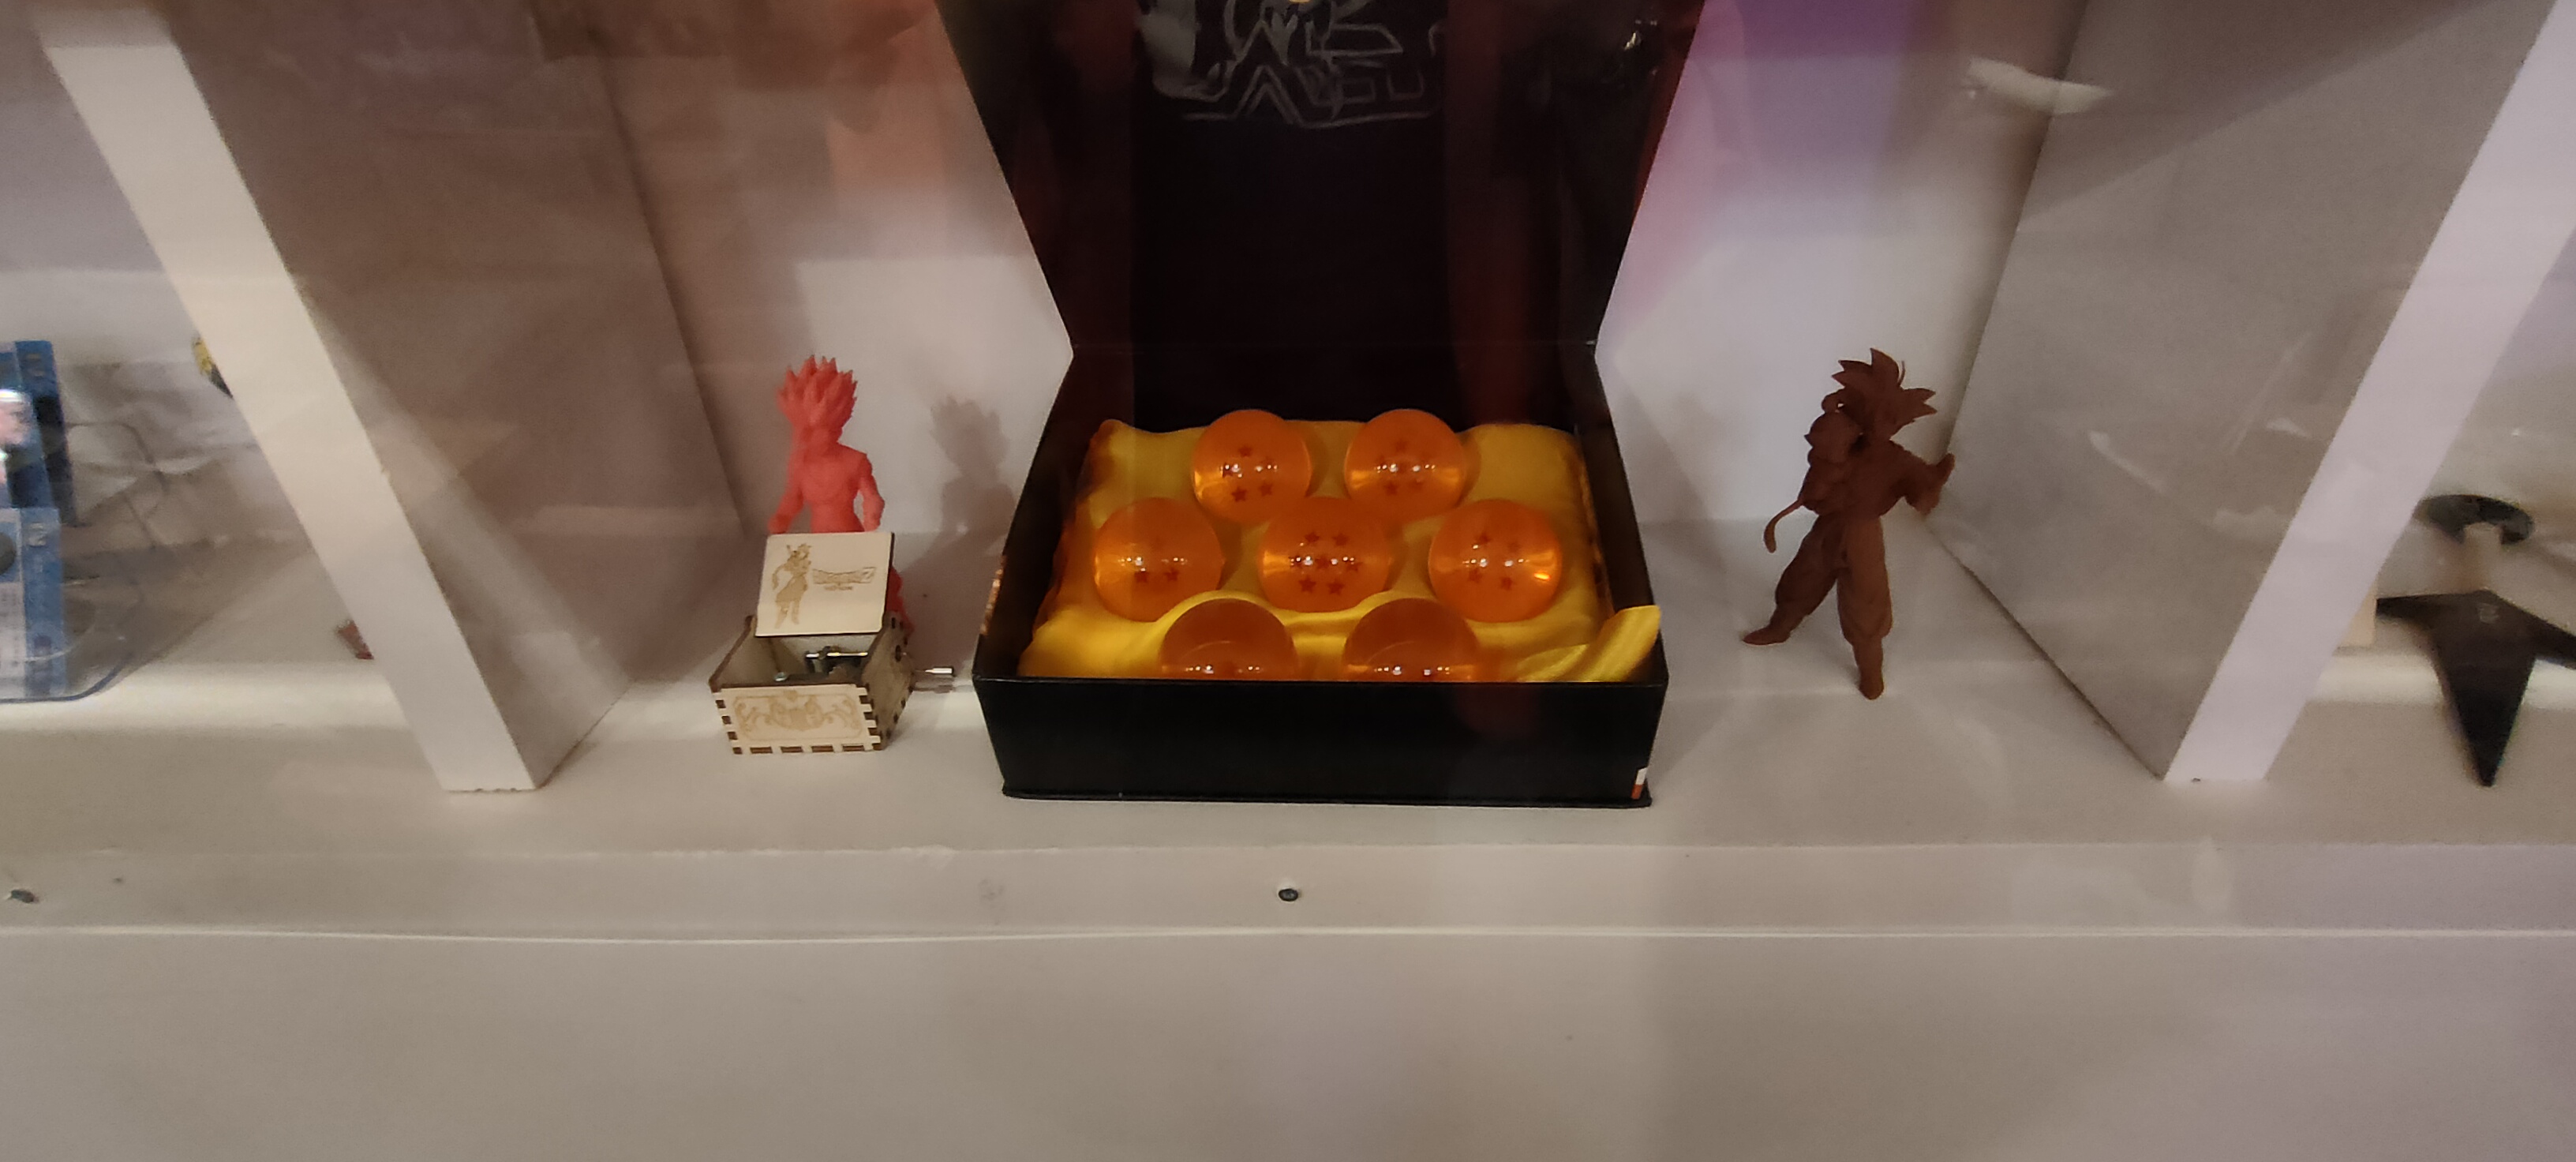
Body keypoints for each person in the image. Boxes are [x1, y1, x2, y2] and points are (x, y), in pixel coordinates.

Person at [1743, 350, 1954, 699]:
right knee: (1802, 579)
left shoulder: (1898, 460)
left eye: (1888, 420)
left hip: (1863, 536)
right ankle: (1780, 628)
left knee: (1867, 605)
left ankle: (1871, 671)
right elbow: (1816, 480)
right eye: (1872, 416)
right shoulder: (1840, 442)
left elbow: (1923, 488)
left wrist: (1932, 483)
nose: (1880, 427)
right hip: (1828, 529)